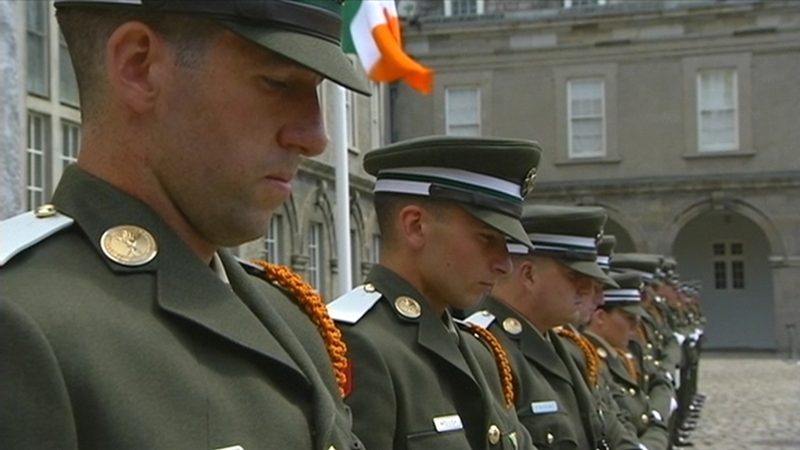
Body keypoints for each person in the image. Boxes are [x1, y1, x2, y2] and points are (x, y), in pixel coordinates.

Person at [1, 1, 370, 449]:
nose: (315, 137)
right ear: (140, 67)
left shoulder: (286, 318)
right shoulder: (23, 326)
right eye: (276, 83)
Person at [327, 135, 541, 450]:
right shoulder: (358, 344)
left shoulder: (479, 350)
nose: (504, 264)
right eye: (487, 238)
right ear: (415, 226)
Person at [466, 205, 641, 450]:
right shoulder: (484, 351)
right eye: (575, 276)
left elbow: (611, 432)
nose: (589, 291)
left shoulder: (573, 351)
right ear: (529, 275)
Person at [583, 271, 672, 450]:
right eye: (629, 318)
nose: (635, 327)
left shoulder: (620, 356)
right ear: (600, 317)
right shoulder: (589, 360)